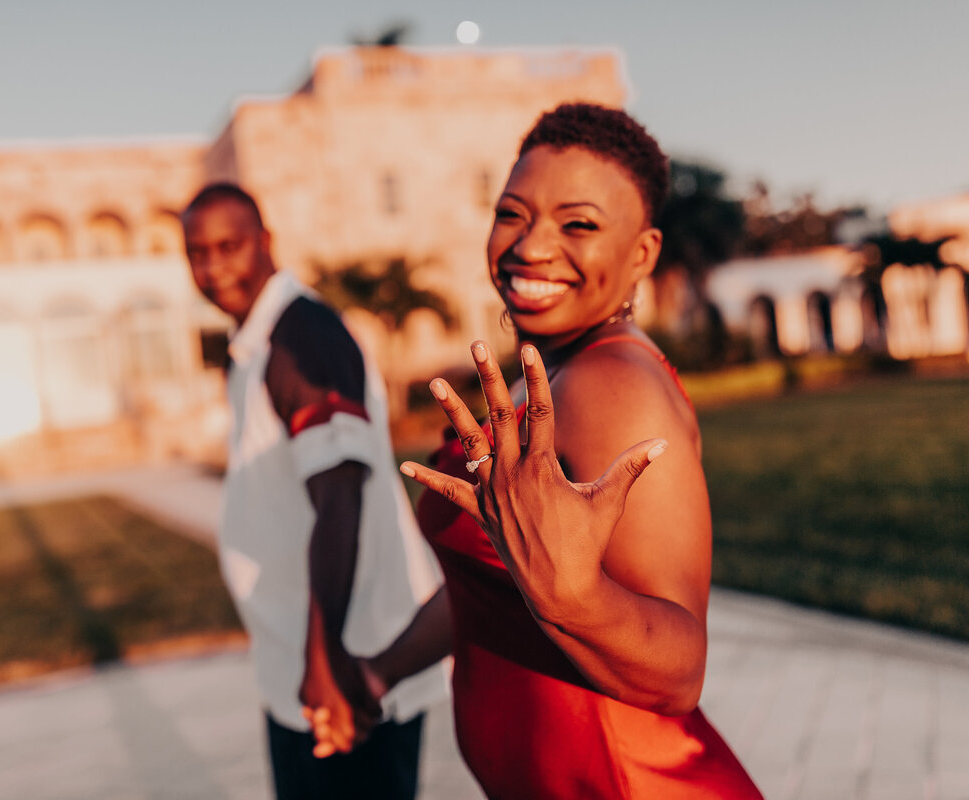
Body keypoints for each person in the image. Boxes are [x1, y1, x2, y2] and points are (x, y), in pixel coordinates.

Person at [308, 104, 763, 798]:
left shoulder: (612, 385)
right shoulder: (551, 375)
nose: (531, 246)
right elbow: (493, 582)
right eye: (513, 214)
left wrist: (575, 596)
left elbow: (679, 673)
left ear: (641, 254)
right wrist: (379, 672)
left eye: (578, 224)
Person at [181, 182, 446, 800]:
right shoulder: (255, 343)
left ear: (266, 243)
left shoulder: (303, 337)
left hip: (346, 670)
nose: (214, 266)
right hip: (295, 667)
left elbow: (340, 495)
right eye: (197, 252)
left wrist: (325, 659)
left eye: (230, 246)